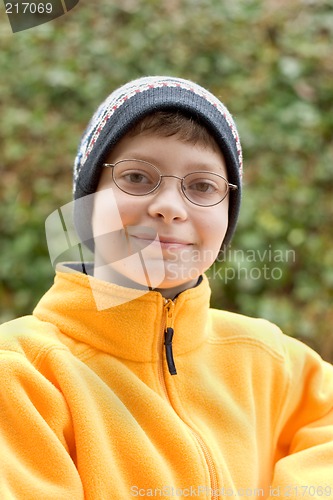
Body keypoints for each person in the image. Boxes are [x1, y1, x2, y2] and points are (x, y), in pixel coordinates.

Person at [0, 76, 332, 500]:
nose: (170, 208)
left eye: (202, 186)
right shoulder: (24, 372)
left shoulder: (268, 357)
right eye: (137, 177)